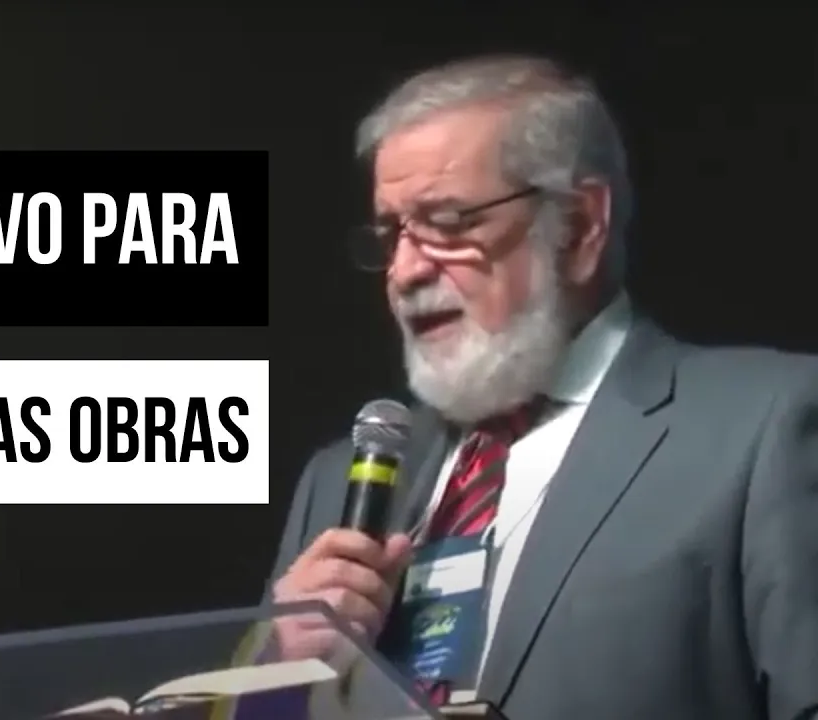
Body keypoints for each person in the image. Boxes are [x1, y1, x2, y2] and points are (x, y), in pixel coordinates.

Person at [267, 54, 818, 720]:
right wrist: (280, 669)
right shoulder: (335, 484)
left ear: (580, 226)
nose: (405, 271)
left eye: (450, 222)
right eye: (391, 234)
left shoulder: (768, 428)